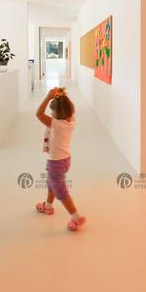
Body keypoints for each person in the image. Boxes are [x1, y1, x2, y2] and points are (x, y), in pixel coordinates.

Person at [35, 87, 86, 231]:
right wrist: (62, 96)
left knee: (61, 192)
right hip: (65, 160)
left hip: (56, 164)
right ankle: (48, 206)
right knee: (51, 183)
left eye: (52, 112)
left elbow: (38, 114)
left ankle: (76, 217)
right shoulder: (71, 121)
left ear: (58, 114)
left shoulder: (56, 125)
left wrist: (48, 97)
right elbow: (71, 108)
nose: (51, 114)